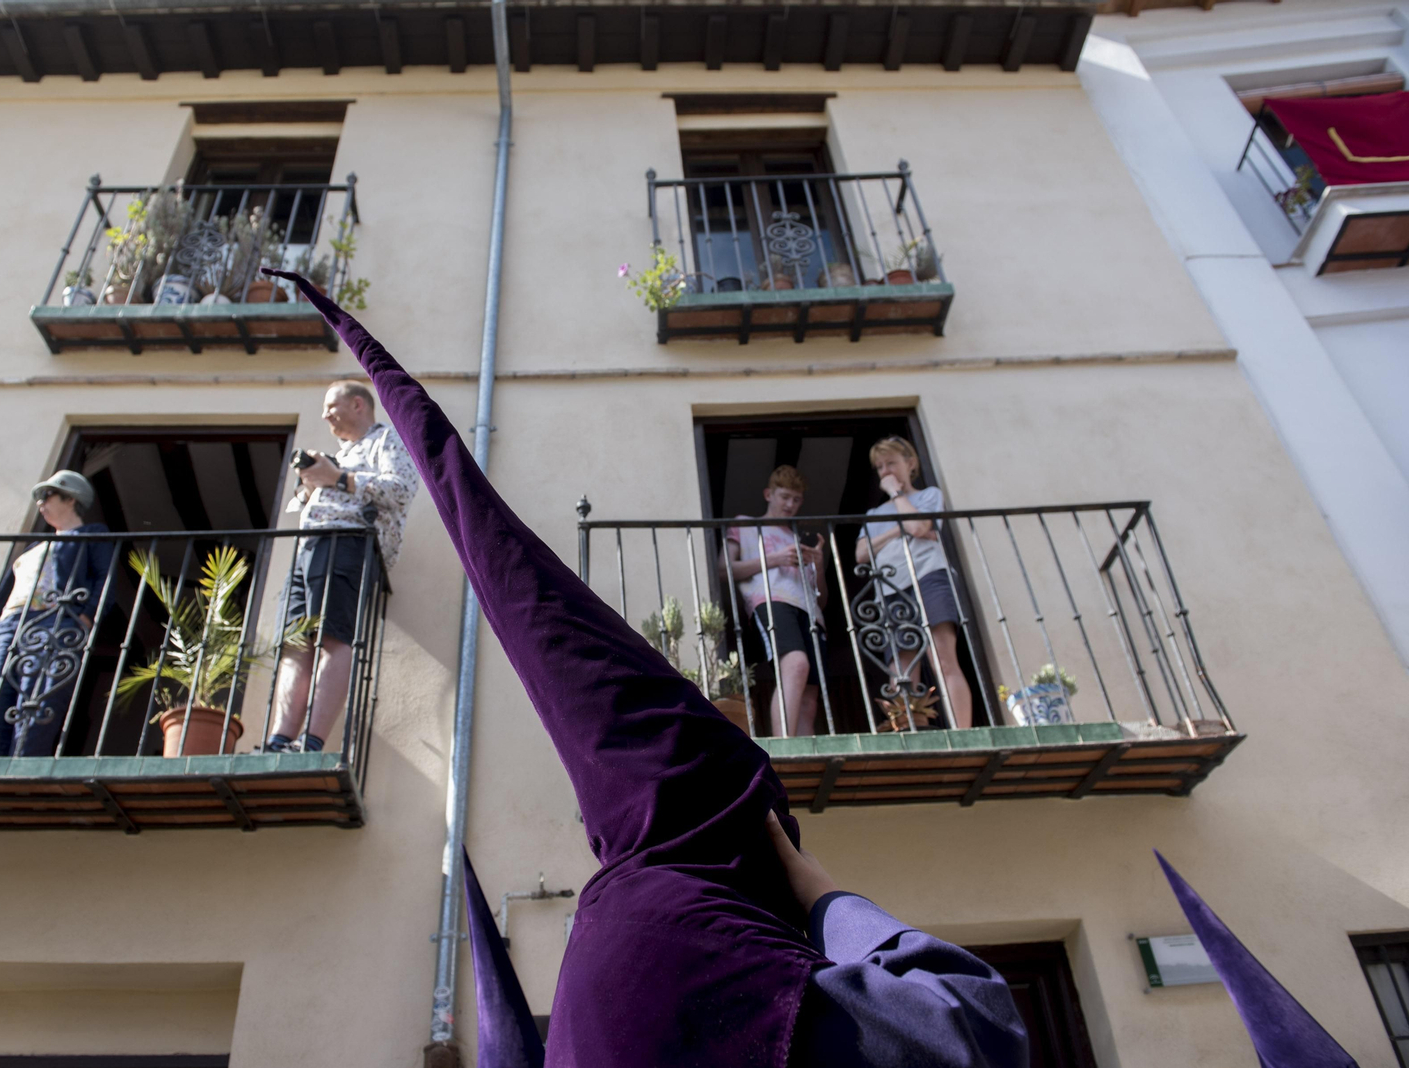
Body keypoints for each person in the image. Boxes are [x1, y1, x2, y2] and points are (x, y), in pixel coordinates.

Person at [268, 267, 1026, 1068]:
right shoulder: (734, 955)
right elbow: (967, 1025)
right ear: (756, 833)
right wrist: (814, 887)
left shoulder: (604, 942)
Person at [265, 380, 419, 753]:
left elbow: (402, 489)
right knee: (295, 643)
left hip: (348, 543)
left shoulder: (386, 441)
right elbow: (297, 508)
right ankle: (279, 740)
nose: (325, 415)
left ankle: (311, 741)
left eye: (331, 406)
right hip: (310, 547)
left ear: (357, 405)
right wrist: (311, 482)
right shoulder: (342, 453)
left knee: (333, 637)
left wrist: (338, 478)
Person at [0, 470, 113, 757]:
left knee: (37, 697)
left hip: (53, 619)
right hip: (8, 624)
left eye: (47, 495)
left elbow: (106, 577)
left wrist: (88, 616)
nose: (40, 502)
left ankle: (22, 766)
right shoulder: (34, 546)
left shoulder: (91, 535)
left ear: (71, 499)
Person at [855, 437, 974, 728]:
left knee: (943, 658)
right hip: (891, 588)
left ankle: (962, 736)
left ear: (910, 464)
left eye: (891, 463)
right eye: (880, 467)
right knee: (901, 671)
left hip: (928, 576)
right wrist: (898, 531)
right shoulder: (874, 514)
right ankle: (908, 736)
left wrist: (897, 494)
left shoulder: (928, 496)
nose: (885, 471)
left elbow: (919, 526)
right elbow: (861, 554)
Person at [726, 465, 828, 737]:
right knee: (795, 665)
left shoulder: (799, 538)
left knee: (809, 699)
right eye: (784, 497)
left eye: (796, 500)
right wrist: (775, 559)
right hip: (771, 600)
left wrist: (819, 567)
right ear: (768, 494)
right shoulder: (745, 523)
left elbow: (823, 598)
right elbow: (724, 569)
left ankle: (808, 764)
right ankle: (785, 750)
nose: (790, 504)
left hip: (810, 611)